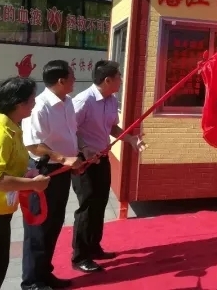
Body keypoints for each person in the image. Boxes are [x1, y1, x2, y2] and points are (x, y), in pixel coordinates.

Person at [71, 60, 146, 273]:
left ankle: (94, 247)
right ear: (107, 80)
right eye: (119, 77)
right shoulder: (83, 101)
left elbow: (112, 127)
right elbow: (70, 129)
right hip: (84, 160)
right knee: (87, 206)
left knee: (100, 203)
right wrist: (84, 148)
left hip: (102, 158)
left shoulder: (111, 100)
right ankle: (80, 256)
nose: (121, 81)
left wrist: (130, 139)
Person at [0, 78, 50, 290]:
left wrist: (26, 174)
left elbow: (7, 168)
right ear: (19, 104)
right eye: (32, 99)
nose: (35, 103)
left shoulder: (11, 127)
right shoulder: (0, 134)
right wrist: (32, 185)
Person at [22, 61, 83, 290]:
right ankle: (32, 282)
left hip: (62, 171)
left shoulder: (68, 103)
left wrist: (80, 153)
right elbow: (33, 145)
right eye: (72, 76)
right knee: (38, 228)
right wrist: (63, 158)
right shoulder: (40, 106)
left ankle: (45, 274)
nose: (74, 80)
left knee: (55, 223)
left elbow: (71, 133)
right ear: (61, 81)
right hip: (44, 171)